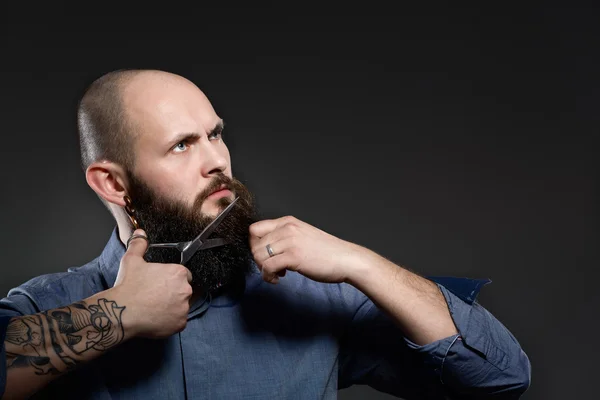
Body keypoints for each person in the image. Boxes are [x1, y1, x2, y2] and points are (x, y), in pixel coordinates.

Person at [0, 69, 531, 400]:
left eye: (215, 134)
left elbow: (501, 377)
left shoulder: (304, 297)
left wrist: (361, 264)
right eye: (182, 145)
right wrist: (121, 314)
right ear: (113, 183)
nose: (217, 162)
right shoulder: (51, 303)